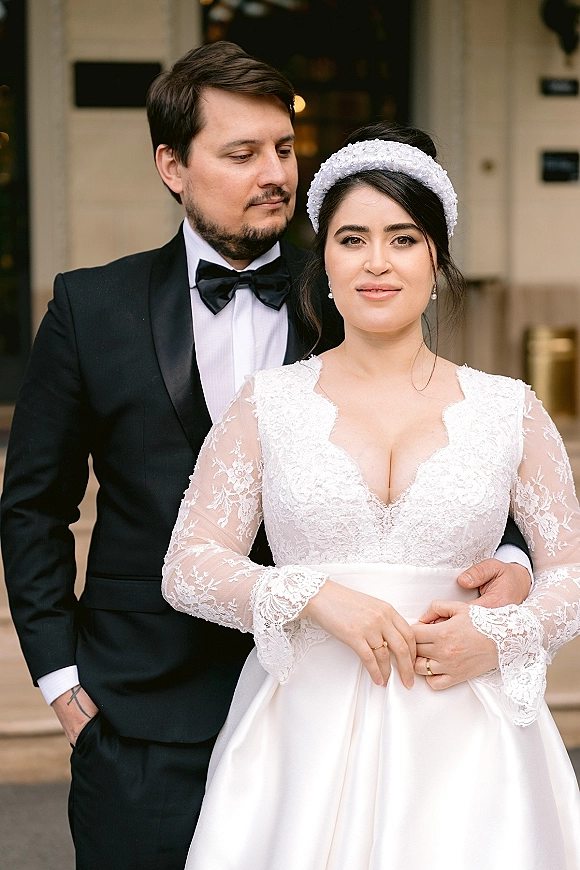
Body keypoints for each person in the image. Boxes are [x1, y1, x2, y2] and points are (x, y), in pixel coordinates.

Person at [1, 42, 527, 869]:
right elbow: (34, 505)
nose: (273, 172)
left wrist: (507, 557)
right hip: (143, 714)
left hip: (330, 707)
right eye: (241, 154)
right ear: (173, 165)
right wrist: (61, 681)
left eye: (283, 149)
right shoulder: (88, 307)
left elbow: (466, 447)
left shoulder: (359, 283)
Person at [162, 122, 580, 869]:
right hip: (304, 738)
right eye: (352, 239)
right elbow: (188, 565)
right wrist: (313, 595)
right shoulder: (270, 403)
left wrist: (503, 634)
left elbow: (572, 573)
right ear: (322, 259)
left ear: (436, 259)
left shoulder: (508, 407)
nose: (377, 263)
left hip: (472, 741)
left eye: (404, 238)